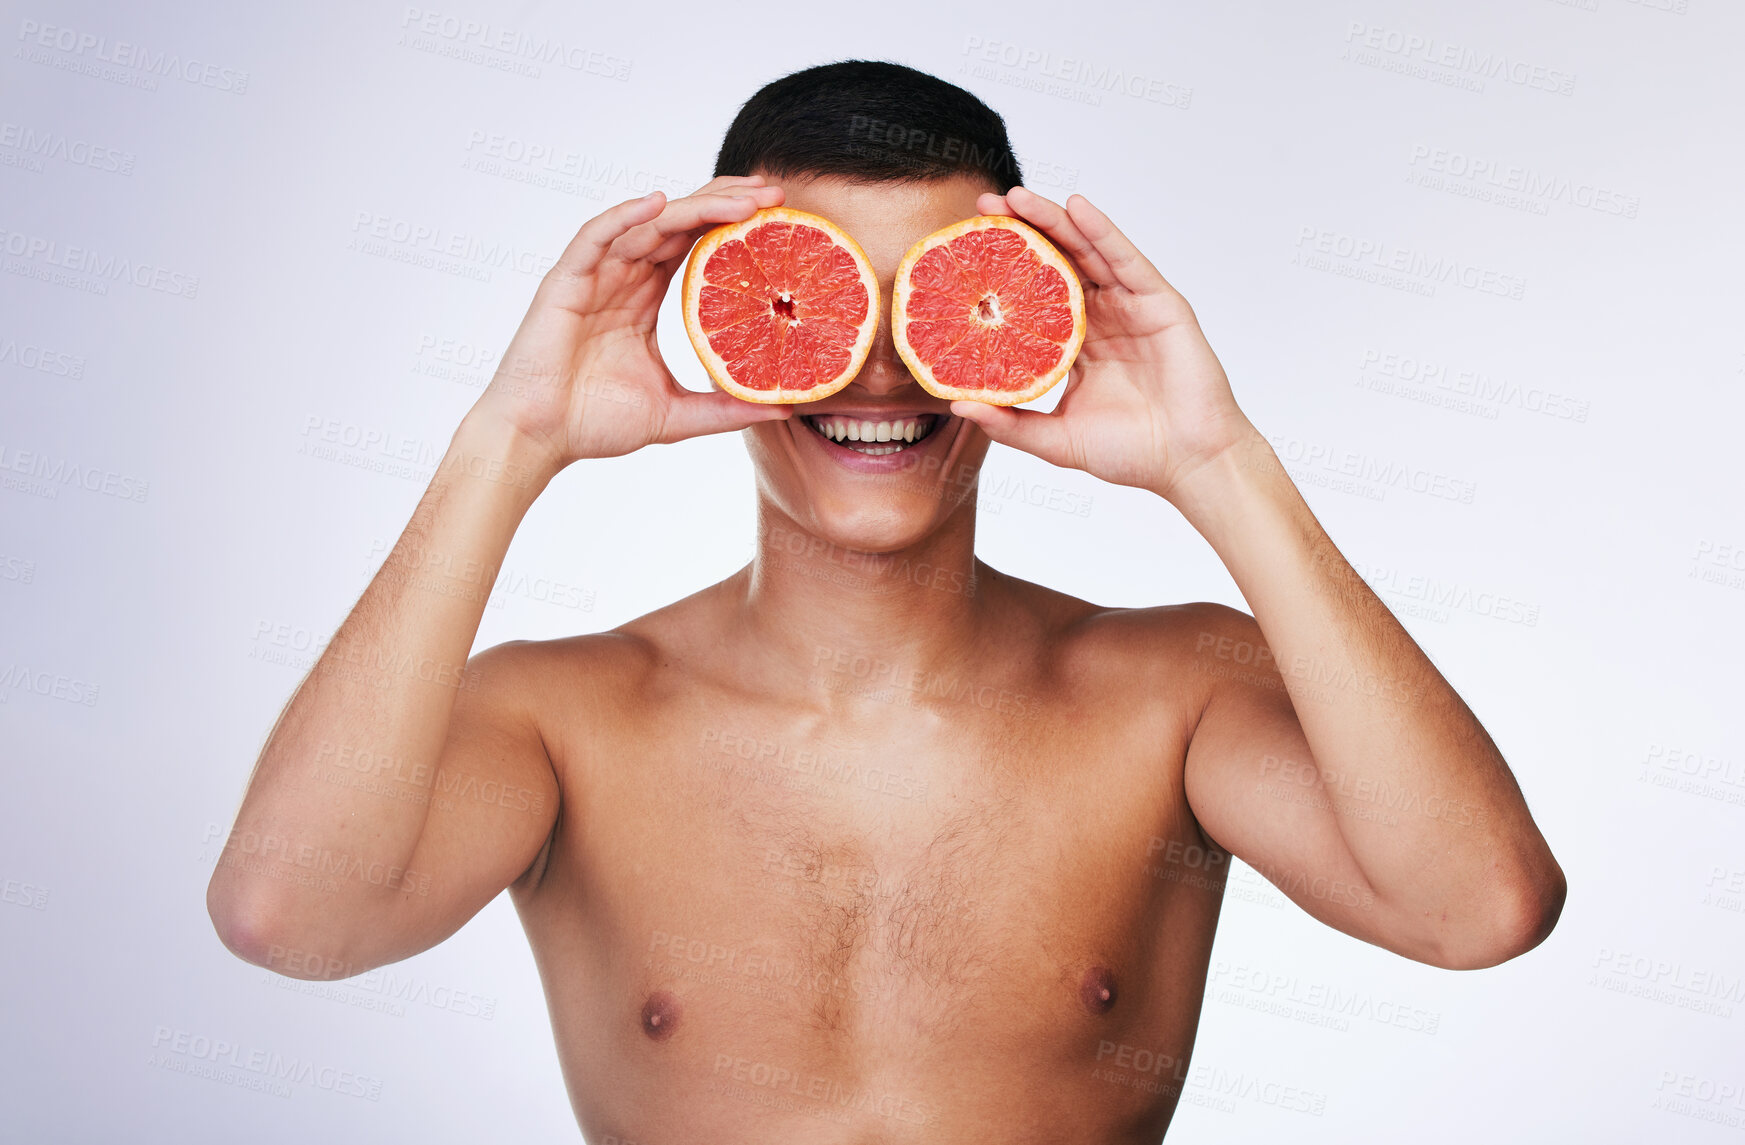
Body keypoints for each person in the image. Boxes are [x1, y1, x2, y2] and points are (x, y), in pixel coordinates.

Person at [207, 60, 1565, 1141]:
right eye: (814, 298)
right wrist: (508, 438)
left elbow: (1477, 905)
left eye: (934, 299)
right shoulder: (559, 717)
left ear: (1032, 320)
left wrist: (1217, 464)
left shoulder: (1176, 696)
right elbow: (289, 912)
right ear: (712, 312)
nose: (876, 372)